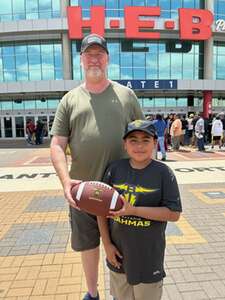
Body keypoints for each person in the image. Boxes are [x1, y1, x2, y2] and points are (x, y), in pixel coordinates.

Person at [50, 34, 144, 300]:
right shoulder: (69, 100)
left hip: (122, 190)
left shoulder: (126, 95)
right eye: (88, 54)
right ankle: (92, 293)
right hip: (82, 190)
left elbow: (143, 137)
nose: (94, 59)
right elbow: (57, 144)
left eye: (99, 54)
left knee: (122, 243)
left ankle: (122, 293)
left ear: (107, 59)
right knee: (87, 245)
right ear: (81, 60)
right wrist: (66, 182)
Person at [98, 119, 182, 300]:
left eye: (145, 140)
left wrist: (134, 211)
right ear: (125, 144)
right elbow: (101, 210)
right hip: (118, 255)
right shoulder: (114, 169)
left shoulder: (163, 173)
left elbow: (173, 214)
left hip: (149, 258)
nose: (139, 145)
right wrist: (107, 244)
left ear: (155, 142)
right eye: (133, 140)